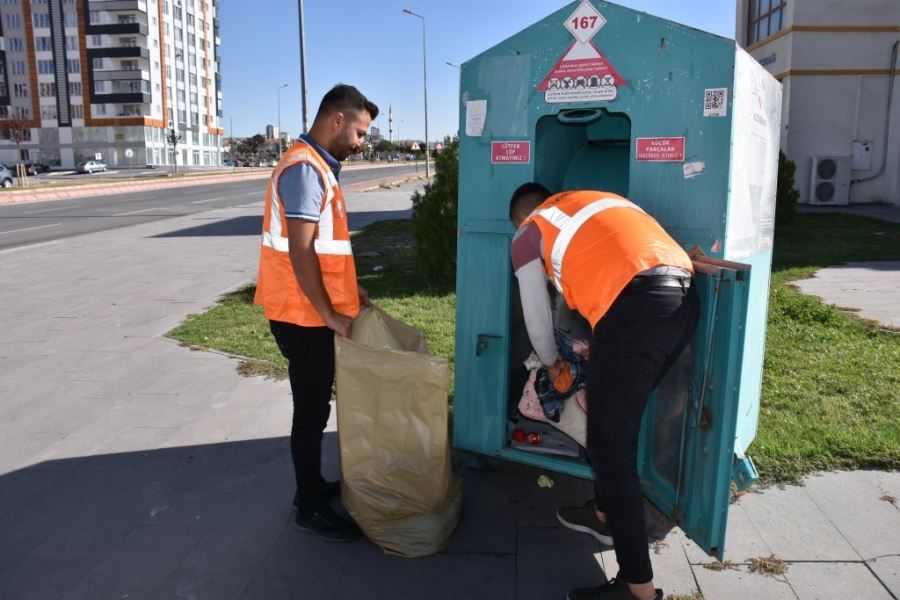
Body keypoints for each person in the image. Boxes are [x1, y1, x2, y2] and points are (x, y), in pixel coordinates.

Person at [508, 183, 700, 600]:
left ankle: (638, 591)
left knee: (611, 448)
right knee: (611, 420)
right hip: (683, 299)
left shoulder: (528, 233)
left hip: (638, 309)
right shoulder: (592, 201)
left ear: (522, 217)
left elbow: (538, 319)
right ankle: (603, 512)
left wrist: (553, 362)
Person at [254, 84, 378, 543]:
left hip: (309, 311)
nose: (362, 143)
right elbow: (301, 250)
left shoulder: (320, 168)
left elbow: (326, 250)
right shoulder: (305, 169)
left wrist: (350, 287)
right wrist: (328, 313)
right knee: (310, 412)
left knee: (314, 408)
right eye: (361, 133)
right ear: (337, 121)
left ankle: (312, 486)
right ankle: (308, 505)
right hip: (302, 316)